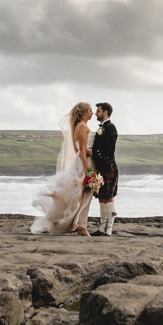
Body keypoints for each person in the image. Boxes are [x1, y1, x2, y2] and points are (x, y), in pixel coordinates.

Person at [30, 101, 96, 236]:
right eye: (90, 110)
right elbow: (82, 149)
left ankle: (75, 224)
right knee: (83, 195)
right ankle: (80, 226)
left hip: (82, 160)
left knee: (78, 195)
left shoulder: (78, 126)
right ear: (83, 112)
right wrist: (86, 169)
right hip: (85, 163)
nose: (92, 113)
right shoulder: (82, 126)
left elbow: (79, 149)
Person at [90, 102, 119, 236]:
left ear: (105, 112)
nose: (96, 113)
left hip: (108, 166)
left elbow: (109, 150)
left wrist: (92, 154)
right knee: (101, 197)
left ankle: (108, 230)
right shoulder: (102, 127)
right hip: (101, 167)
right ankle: (102, 228)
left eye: (98, 111)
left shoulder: (110, 128)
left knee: (109, 197)